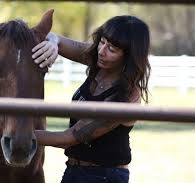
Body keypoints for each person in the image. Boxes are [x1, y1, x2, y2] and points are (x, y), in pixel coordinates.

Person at [32, 15, 150, 183]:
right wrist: (52, 42)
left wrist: (11, 134)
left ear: (129, 56)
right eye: (102, 42)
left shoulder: (127, 96)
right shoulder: (100, 62)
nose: (101, 51)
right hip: (74, 171)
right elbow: (59, 41)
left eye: (112, 49)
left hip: (104, 177)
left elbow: (70, 137)